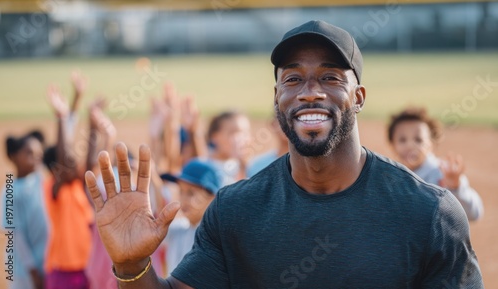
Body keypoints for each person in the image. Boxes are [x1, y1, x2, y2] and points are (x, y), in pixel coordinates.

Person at [84, 20, 483, 288]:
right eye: (293, 78)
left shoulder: (429, 213)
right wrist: (133, 268)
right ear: (278, 98)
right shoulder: (234, 211)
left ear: (358, 97)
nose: (310, 91)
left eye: (330, 77)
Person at [387, 106, 484, 221]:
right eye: (402, 140)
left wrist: (455, 188)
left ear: (431, 144)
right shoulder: (392, 175)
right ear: (393, 145)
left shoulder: (443, 172)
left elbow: (474, 213)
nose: (410, 146)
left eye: (418, 140)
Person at [42, 75, 93, 289]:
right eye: (68, 161)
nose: (74, 162)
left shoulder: (79, 184)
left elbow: (82, 158)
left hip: (87, 268)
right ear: (57, 169)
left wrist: (91, 122)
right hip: (63, 271)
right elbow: (66, 159)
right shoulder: (53, 187)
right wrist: (61, 118)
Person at [0, 130, 48, 289]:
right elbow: (16, 236)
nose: (37, 157)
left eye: (39, 153)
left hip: (45, 264)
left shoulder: (39, 180)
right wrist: (33, 272)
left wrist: (67, 118)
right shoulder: (9, 192)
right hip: (23, 271)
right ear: (14, 156)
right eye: (29, 153)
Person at [159, 158, 222, 276]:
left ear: (213, 198)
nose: (183, 199)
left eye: (191, 193)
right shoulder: (177, 229)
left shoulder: (217, 239)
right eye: (181, 191)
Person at [206, 111, 252, 185]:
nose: (241, 139)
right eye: (233, 132)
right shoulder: (205, 163)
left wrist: (242, 163)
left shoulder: (251, 166)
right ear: (214, 136)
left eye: (245, 133)